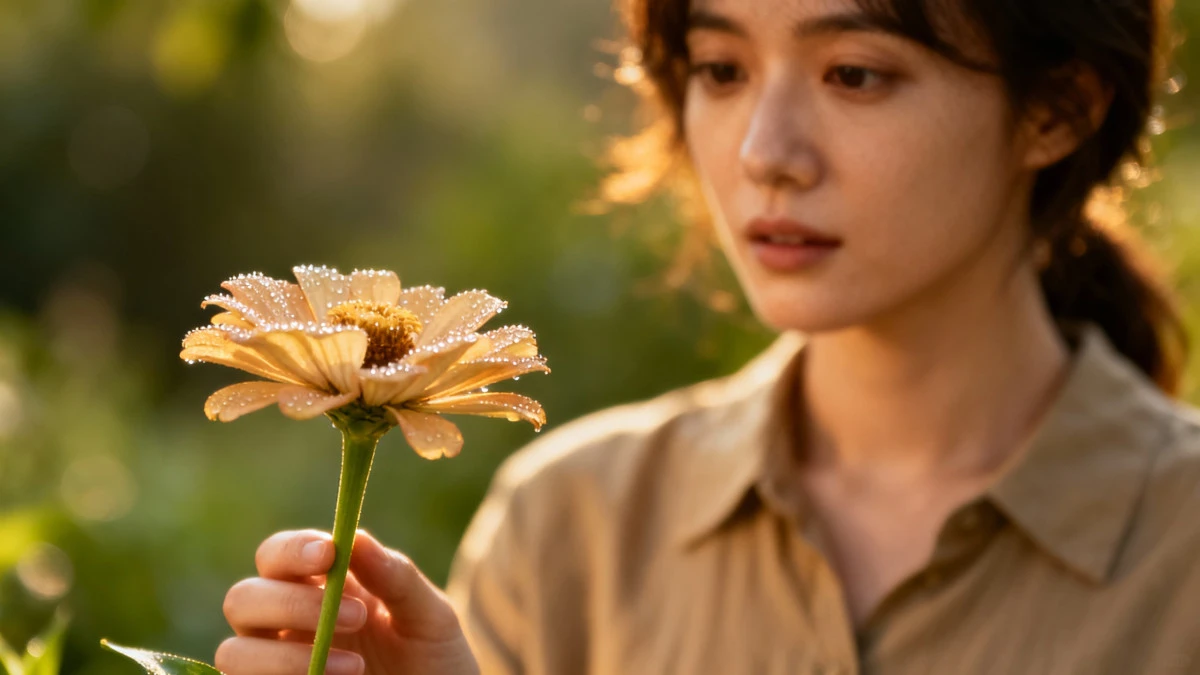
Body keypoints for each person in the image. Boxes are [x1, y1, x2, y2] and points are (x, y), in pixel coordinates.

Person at [213, 0, 1200, 672]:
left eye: (854, 74)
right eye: (721, 69)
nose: (765, 152)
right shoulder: (572, 530)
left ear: (1058, 109)